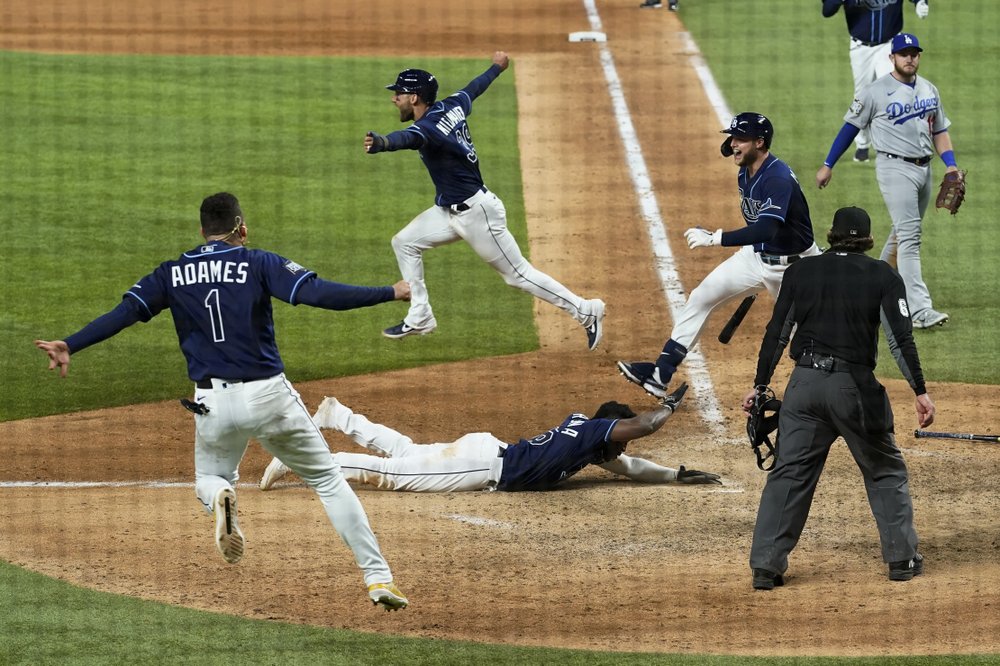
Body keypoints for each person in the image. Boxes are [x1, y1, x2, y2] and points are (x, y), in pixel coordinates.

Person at [34, 192, 412, 611]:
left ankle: (220, 498)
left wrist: (71, 344)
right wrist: (390, 292)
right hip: (269, 396)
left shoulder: (172, 272)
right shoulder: (258, 262)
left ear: (201, 231)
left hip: (211, 401)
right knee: (326, 481)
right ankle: (379, 579)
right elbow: (319, 294)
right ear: (242, 228)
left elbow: (124, 313)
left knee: (210, 478)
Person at [742, 206, 935, 590]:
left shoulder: (801, 271)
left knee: (789, 474)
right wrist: (920, 391)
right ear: (866, 239)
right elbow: (901, 340)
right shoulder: (882, 275)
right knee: (884, 469)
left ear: (830, 235)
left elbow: (777, 332)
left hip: (804, 387)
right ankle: (901, 559)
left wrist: (760, 384)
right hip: (853, 389)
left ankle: (766, 567)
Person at [364, 51, 606, 349]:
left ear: (414, 98)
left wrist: (383, 143)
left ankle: (585, 311)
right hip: (449, 211)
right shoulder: (451, 105)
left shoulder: (426, 129)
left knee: (518, 275)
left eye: (399, 93)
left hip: (478, 214)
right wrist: (497, 67)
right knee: (404, 242)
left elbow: (407, 139)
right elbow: (473, 88)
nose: (394, 99)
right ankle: (420, 315)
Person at [618, 112, 820, 399]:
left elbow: (767, 228)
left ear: (760, 143)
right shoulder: (745, 170)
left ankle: (825, 391)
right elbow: (760, 233)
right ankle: (660, 374)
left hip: (795, 268)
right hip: (757, 257)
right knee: (702, 296)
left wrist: (717, 238)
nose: (733, 144)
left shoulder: (777, 178)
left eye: (740, 139)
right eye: (732, 137)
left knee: (807, 337)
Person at [258, 384, 723, 493]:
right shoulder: (598, 432)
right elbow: (641, 427)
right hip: (486, 466)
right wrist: (669, 408)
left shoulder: (587, 438)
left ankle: (339, 415)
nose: (622, 449)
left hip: (486, 449)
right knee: (395, 475)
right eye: (619, 441)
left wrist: (676, 475)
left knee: (409, 452)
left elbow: (629, 467)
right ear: (610, 430)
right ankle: (303, 458)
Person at [816, 33, 958, 330]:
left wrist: (951, 165)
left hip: (925, 169)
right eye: (904, 54)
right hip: (894, 170)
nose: (910, 58)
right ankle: (919, 311)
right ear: (892, 57)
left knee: (900, 234)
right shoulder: (875, 92)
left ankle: (869, 290)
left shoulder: (930, 89)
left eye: (914, 53)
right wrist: (828, 164)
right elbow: (849, 128)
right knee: (910, 236)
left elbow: (940, 131)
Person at [821, 0, 930, 163]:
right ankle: (862, 145)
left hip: (890, 46)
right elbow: (827, 10)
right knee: (861, 98)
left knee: (895, 91)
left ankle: (899, 146)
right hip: (860, 49)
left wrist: (921, 2)